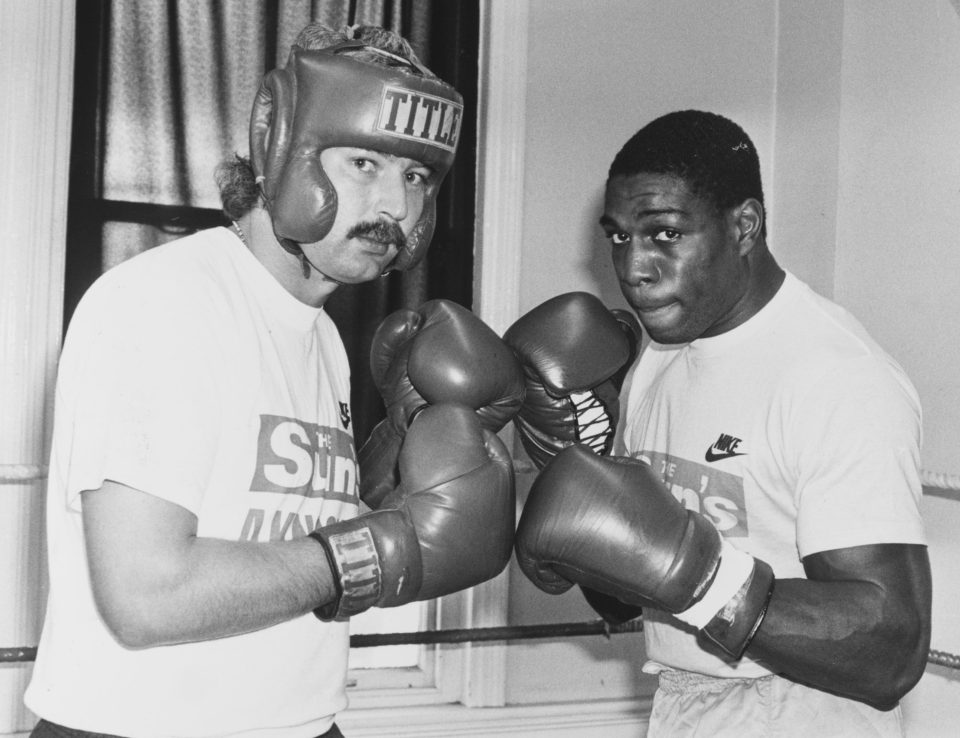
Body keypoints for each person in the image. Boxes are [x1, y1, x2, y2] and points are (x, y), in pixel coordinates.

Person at [24, 23, 522, 738]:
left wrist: (400, 464)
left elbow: (278, 530)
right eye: (364, 164)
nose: (395, 206)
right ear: (283, 147)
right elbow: (147, 597)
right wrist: (378, 552)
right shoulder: (165, 302)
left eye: (416, 176)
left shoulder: (317, 332)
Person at [507, 109, 931, 736]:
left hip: (802, 710)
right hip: (685, 699)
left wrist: (703, 579)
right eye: (619, 237)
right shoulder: (662, 358)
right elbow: (636, 592)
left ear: (745, 226)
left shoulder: (837, 379)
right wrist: (581, 521)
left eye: (665, 235)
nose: (633, 269)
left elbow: (892, 650)